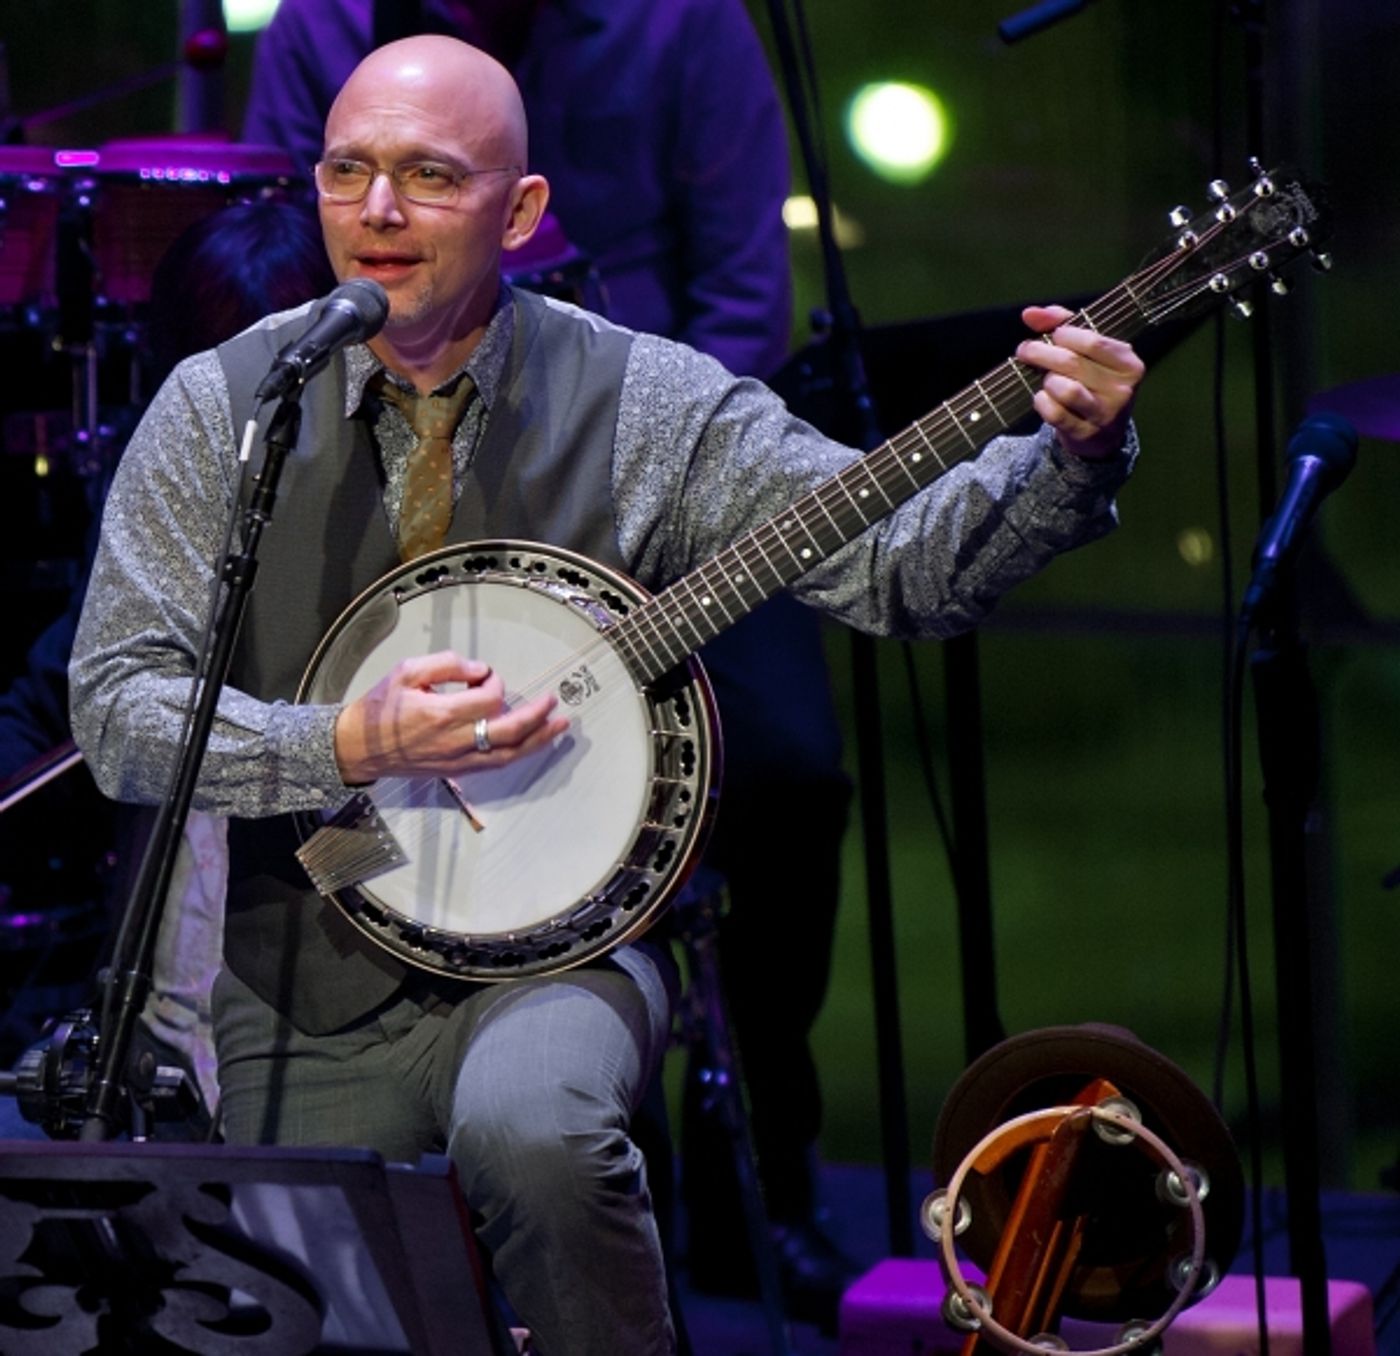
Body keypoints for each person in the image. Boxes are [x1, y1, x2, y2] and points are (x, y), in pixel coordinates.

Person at [69, 37, 1144, 1356]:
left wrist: (1065, 461)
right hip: (308, 960)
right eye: (348, 172)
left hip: (561, 962)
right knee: (324, 1310)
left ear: (520, 214)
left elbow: (897, 567)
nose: (380, 212)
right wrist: (348, 738)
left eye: (428, 176)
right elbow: (119, 708)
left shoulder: (645, 401)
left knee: (534, 1134)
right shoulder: (218, 407)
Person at [242, 3, 860, 1321]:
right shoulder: (323, 25)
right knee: (318, 772)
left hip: (660, 489)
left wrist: (627, 516)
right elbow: (282, 264)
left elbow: (744, 297)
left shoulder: (687, 25)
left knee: (796, 770)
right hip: (400, 464)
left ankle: (769, 1158)